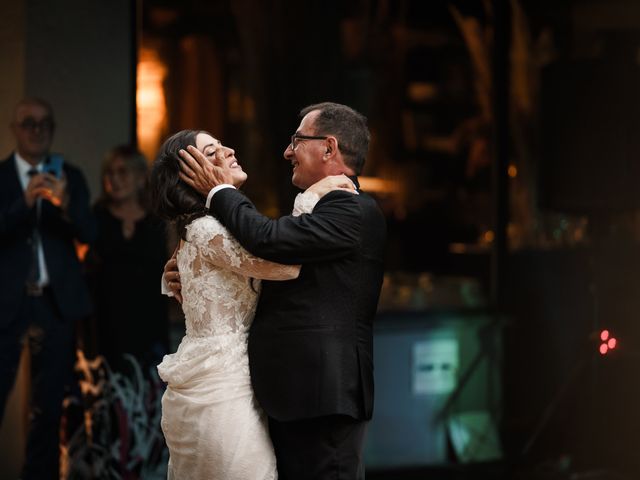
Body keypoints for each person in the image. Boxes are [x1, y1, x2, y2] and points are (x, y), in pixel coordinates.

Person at [170, 102, 387, 480]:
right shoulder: (318, 209)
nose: (288, 151)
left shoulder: (352, 210)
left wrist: (218, 190)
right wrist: (193, 274)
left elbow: (270, 243)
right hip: (289, 398)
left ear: (329, 148)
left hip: (322, 398)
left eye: (297, 140)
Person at [0, 97, 96, 479]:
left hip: (55, 305)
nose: (37, 130)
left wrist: (66, 204)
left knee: (49, 407)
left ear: (52, 130)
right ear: (16, 130)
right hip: (7, 304)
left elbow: (91, 233)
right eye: (29, 123)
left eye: (44, 124)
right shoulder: (1, 178)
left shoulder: (69, 176)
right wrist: (24, 203)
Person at [86, 145, 169, 371]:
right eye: (109, 173)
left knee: (148, 394)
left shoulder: (157, 221)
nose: (114, 179)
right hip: (107, 325)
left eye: (122, 172)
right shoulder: (96, 217)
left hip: (149, 324)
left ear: (141, 177)